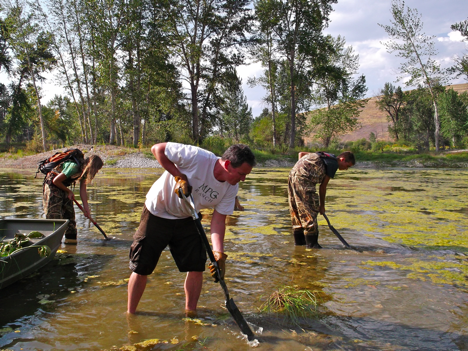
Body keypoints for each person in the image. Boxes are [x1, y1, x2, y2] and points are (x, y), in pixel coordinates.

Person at [127, 142, 256, 317]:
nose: (243, 179)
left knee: (196, 265)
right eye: (241, 174)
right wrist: (179, 176)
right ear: (227, 165)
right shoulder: (198, 157)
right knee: (141, 266)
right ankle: (131, 315)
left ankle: (191, 314)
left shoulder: (231, 187)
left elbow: (218, 221)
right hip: (157, 211)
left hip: (188, 217)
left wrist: (218, 253)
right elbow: (157, 149)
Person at [288, 151, 355, 248]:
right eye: (347, 165)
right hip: (304, 180)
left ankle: (299, 245)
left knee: (297, 212)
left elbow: (301, 154)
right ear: (342, 159)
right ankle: (312, 245)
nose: (346, 169)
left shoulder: (325, 156)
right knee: (309, 213)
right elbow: (323, 187)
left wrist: (301, 168)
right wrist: (322, 206)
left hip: (292, 175)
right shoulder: (333, 164)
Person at [43, 153, 104, 245]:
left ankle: (71, 243)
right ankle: (54, 244)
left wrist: (86, 208)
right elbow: (55, 181)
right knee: (54, 216)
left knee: (70, 216)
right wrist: (69, 191)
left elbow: (82, 190)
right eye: (97, 169)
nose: (97, 172)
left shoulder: (84, 172)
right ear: (92, 166)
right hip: (53, 185)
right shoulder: (74, 167)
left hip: (63, 186)